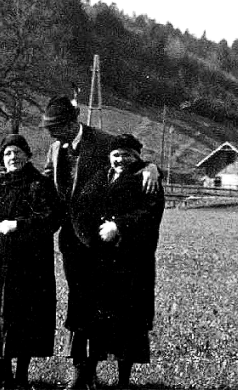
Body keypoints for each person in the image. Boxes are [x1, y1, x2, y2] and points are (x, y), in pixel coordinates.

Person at [38, 96, 159, 389]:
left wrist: (152, 167)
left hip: (99, 240)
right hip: (70, 238)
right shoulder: (55, 148)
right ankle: (82, 372)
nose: (52, 135)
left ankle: (89, 371)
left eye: (56, 128)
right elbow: (45, 178)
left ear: (72, 122)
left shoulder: (103, 141)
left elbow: (132, 160)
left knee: (98, 303)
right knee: (78, 303)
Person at [68, 134, 165, 389]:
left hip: (130, 262)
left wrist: (119, 226)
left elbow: (150, 213)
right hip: (97, 260)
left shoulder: (146, 179)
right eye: (116, 154)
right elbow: (80, 207)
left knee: (128, 320)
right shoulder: (100, 177)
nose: (121, 159)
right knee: (92, 319)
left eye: (127, 155)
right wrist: (89, 238)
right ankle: (86, 376)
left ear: (137, 157)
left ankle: (124, 380)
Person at [0, 134, 63, 389]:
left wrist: (18, 224)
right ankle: (3, 371)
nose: (13, 158)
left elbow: (51, 218)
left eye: (17, 152)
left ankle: (22, 372)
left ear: (27, 155)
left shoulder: (40, 185)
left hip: (29, 265)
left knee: (25, 317)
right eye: (8, 154)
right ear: (2, 159)